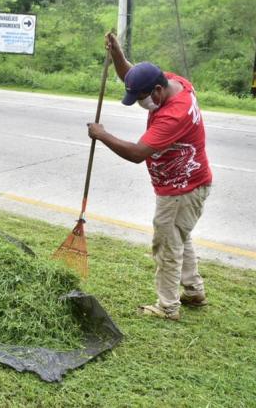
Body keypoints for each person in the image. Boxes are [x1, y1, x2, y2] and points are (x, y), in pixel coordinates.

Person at [87, 33, 213, 321]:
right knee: (179, 237)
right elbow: (131, 74)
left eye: (142, 98)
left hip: (181, 189)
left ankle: (168, 307)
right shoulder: (172, 82)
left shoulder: (174, 115)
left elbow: (137, 152)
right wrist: (117, 52)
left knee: (166, 245)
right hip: (190, 182)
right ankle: (194, 291)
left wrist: (102, 134)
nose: (141, 103)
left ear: (157, 91)